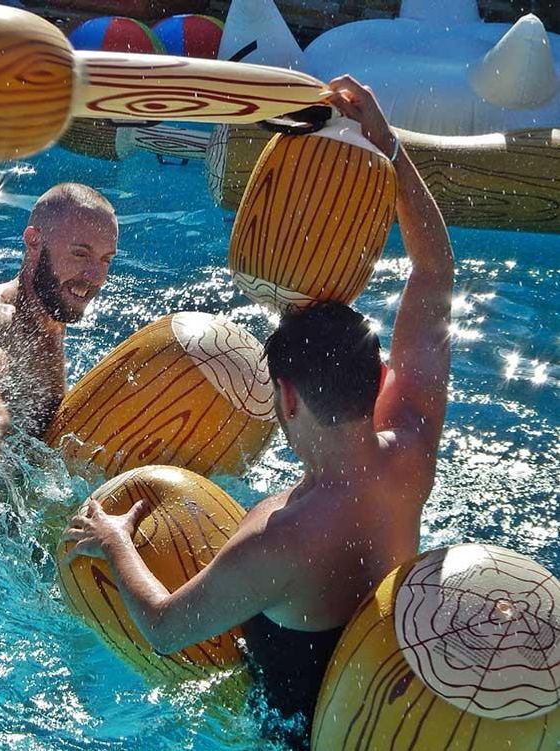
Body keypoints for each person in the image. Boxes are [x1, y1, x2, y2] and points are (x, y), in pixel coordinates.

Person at [61, 76, 455, 746]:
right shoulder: (410, 446)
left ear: (289, 397)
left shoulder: (279, 539)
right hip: (373, 709)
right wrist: (389, 149)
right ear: (378, 377)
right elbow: (435, 270)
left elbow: (162, 625)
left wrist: (115, 540)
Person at [0, 182, 118, 439]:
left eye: (105, 259)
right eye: (80, 254)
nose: (95, 276)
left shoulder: (52, 307)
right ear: (34, 241)